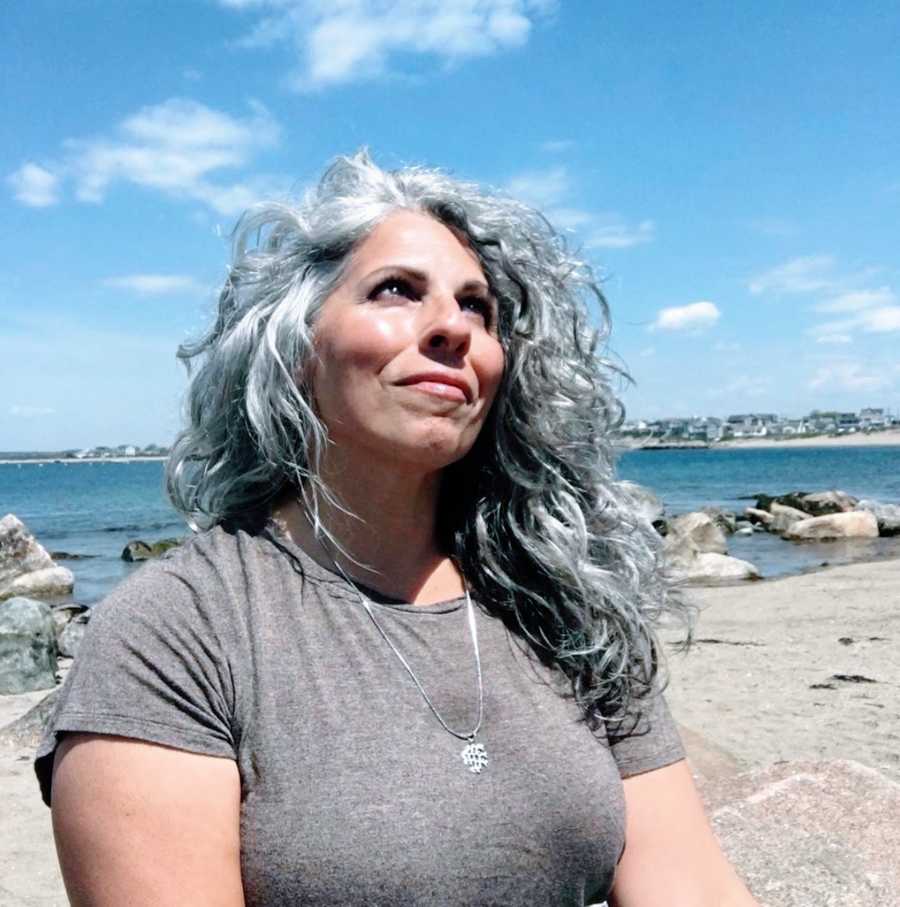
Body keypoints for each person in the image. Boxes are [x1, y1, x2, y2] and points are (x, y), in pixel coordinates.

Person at [36, 151, 758, 906]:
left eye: (476, 306)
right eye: (396, 290)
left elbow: (690, 881)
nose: (451, 325)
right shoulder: (179, 630)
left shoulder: (568, 604)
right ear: (293, 346)